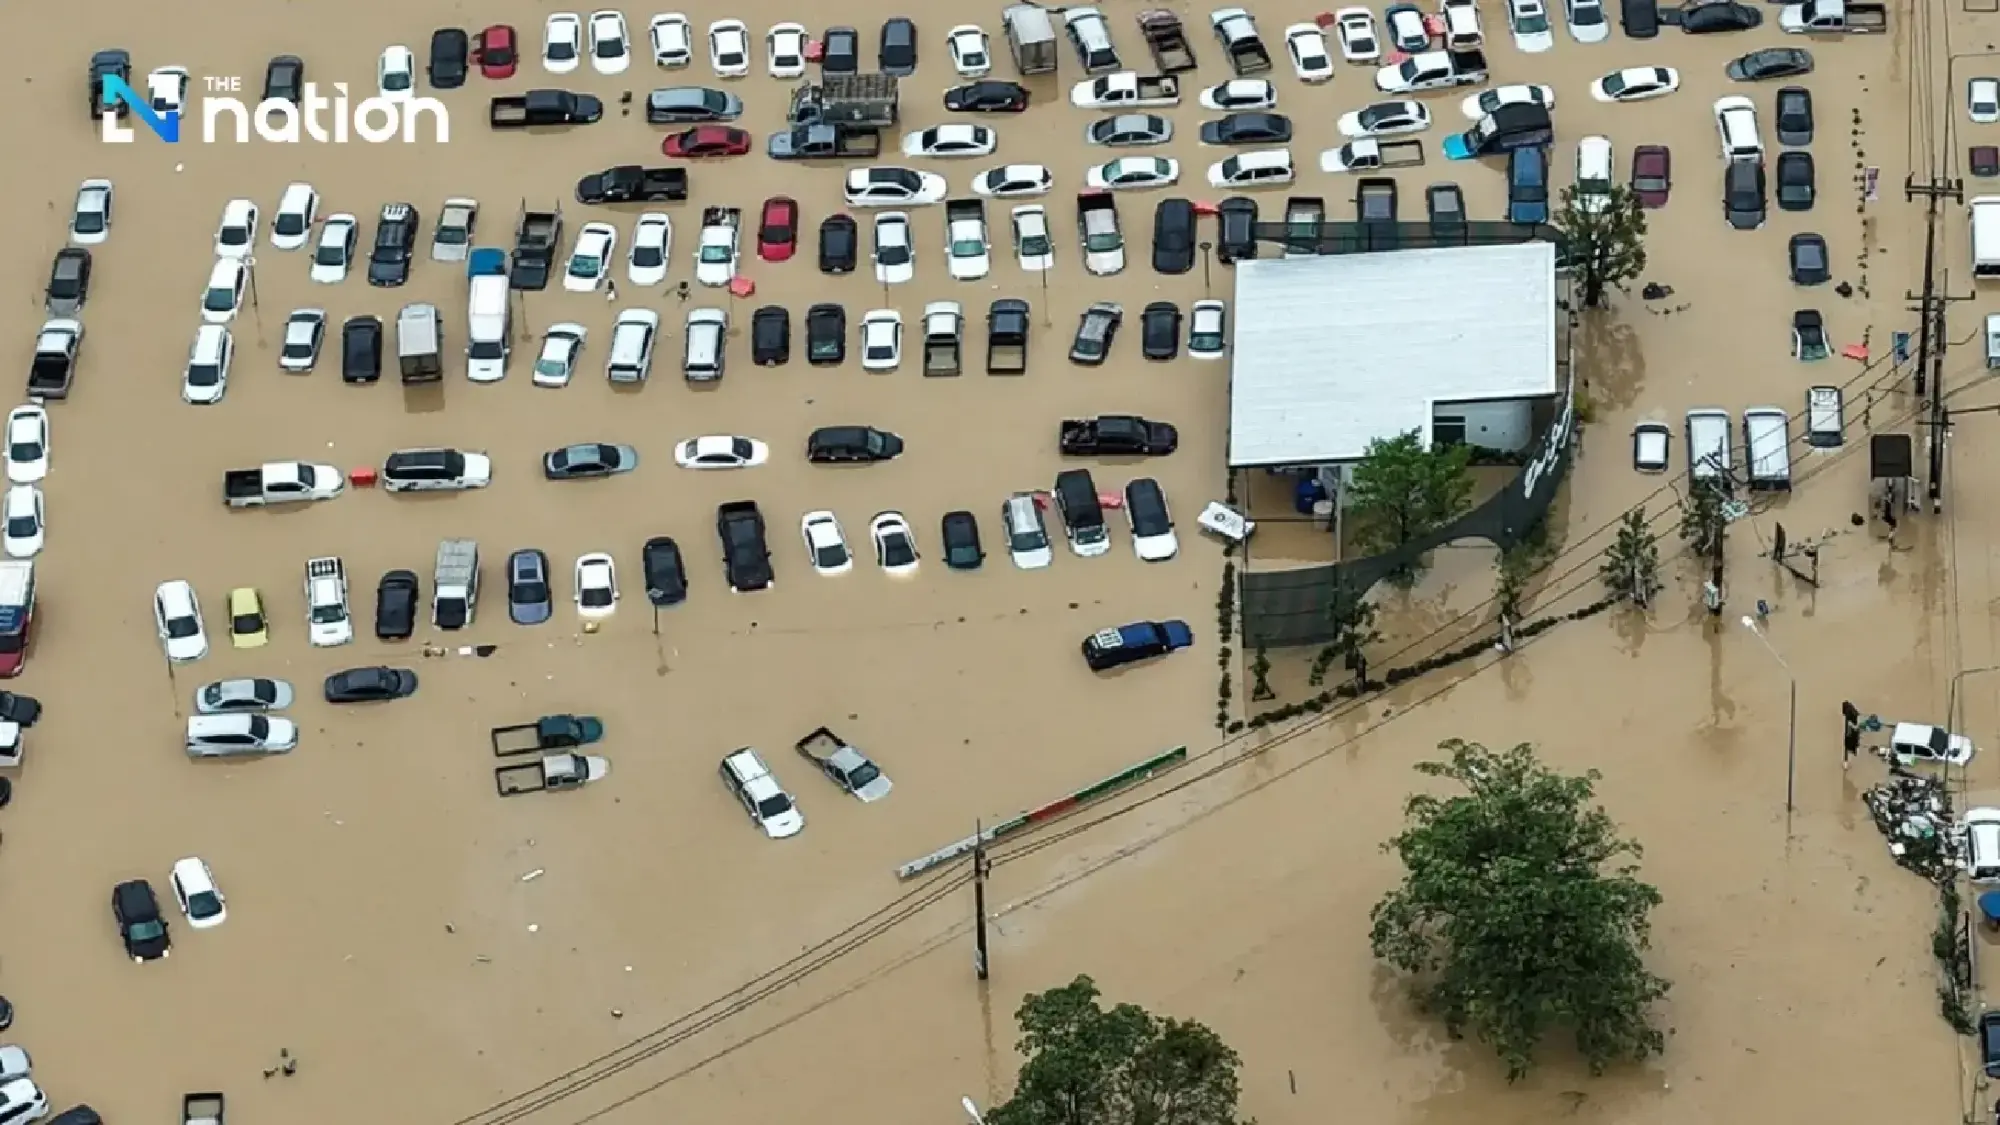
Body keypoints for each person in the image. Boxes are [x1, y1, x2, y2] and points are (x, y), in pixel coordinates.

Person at [1842, 700, 1862, 769]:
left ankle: (1846, 763)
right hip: (1853, 735)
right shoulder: (1855, 714)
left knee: (1848, 748)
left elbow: (1856, 727)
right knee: (1849, 749)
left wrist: (1851, 725)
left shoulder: (1849, 715)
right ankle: (1847, 762)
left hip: (1851, 735)